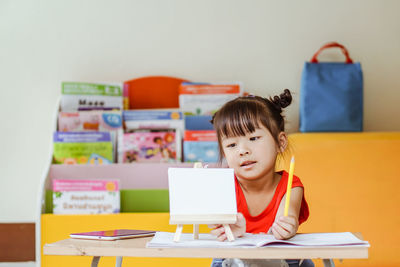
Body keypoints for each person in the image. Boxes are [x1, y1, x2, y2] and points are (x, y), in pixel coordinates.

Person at [209, 89, 313, 267]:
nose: (242, 150)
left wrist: (288, 227)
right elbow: (219, 229)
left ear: (280, 142)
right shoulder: (224, 186)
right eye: (232, 144)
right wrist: (230, 231)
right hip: (234, 259)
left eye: (254, 138)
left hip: (280, 260)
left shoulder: (291, 186)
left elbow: (282, 228)